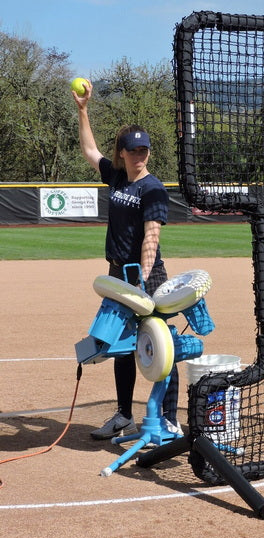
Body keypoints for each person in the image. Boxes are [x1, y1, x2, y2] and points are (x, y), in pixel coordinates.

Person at [72, 79, 182, 440]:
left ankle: (168, 418)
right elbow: (90, 151)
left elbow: (152, 236)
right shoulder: (118, 179)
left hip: (147, 277)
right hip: (119, 273)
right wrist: (83, 110)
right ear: (122, 153)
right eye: (133, 151)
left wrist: (142, 278)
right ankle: (123, 415)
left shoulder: (153, 188)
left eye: (144, 151)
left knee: (161, 343)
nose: (139, 156)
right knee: (121, 347)